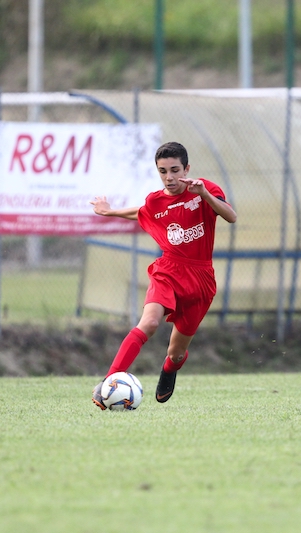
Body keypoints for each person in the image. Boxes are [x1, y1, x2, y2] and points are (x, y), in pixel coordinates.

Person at [89, 141, 237, 409]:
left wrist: (204, 194)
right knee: (150, 322)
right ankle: (109, 382)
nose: (169, 177)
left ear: (187, 168)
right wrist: (109, 211)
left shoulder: (205, 189)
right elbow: (140, 212)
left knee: (176, 352)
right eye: (163, 171)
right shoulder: (156, 201)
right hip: (168, 270)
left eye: (175, 170)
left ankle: (170, 368)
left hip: (201, 278)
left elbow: (231, 216)